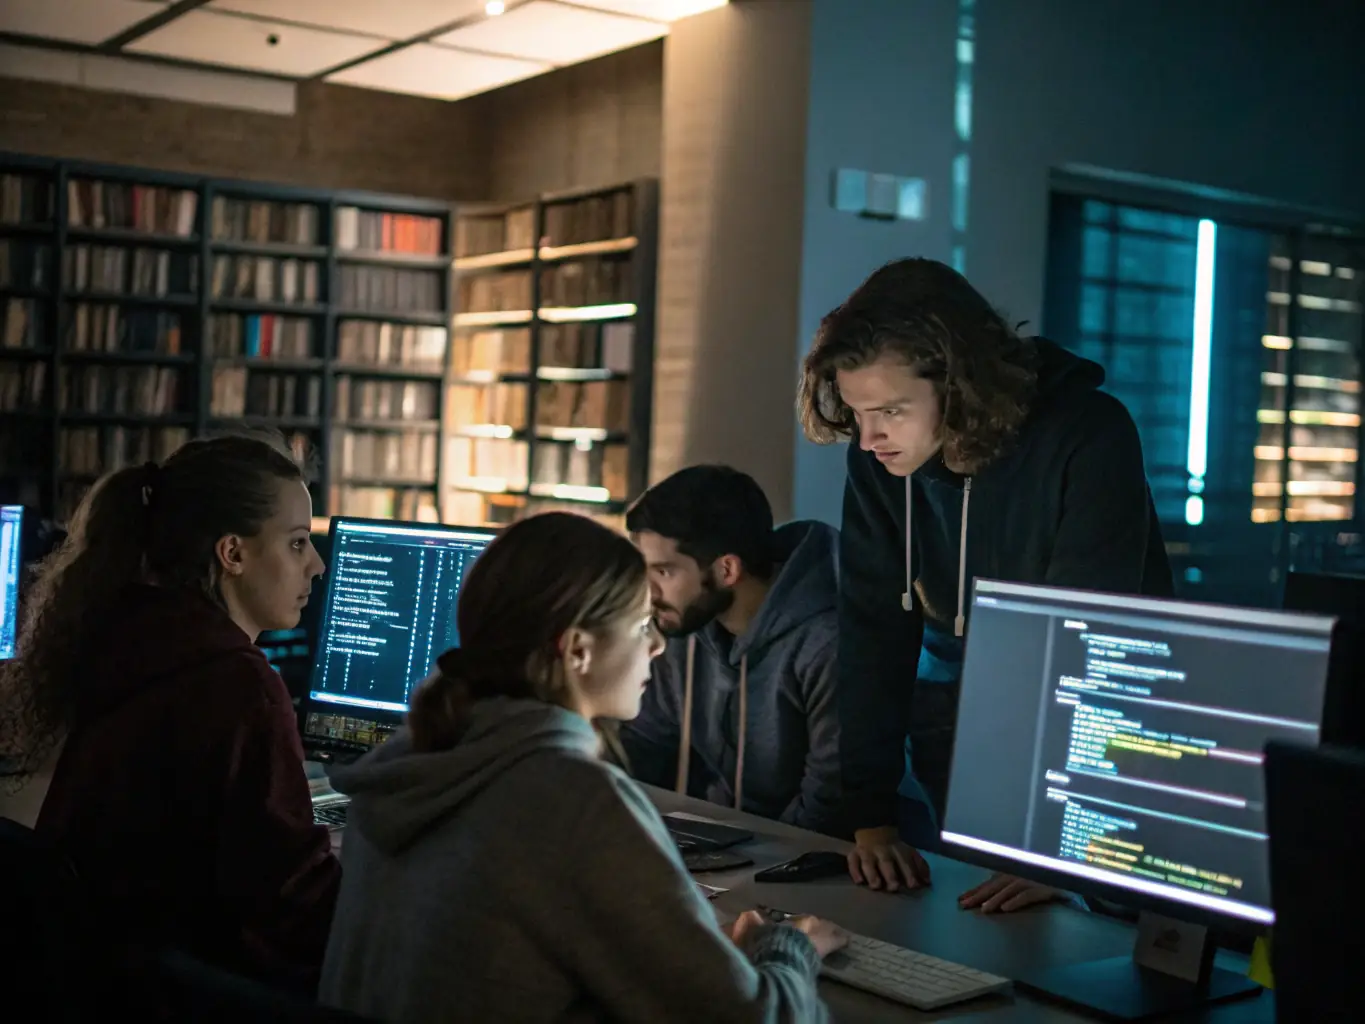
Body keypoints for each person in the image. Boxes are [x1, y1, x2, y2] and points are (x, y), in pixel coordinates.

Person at [320, 512, 843, 1024]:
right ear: (577, 651)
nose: (658, 645)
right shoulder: (577, 802)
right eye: (641, 625)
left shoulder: (405, 763)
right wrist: (788, 948)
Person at [799, 258, 1171, 912]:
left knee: (1098, 934)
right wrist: (871, 818)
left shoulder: (1087, 432)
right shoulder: (880, 461)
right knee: (975, 928)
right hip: (956, 716)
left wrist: (1060, 846)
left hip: (1105, 735)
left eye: (890, 411)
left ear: (959, 383)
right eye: (857, 412)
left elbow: (1087, 645)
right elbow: (872, 633)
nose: (869, 437)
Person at [0, 436, 340, 988]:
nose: (317, 565)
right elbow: (296, 904)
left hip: (101, 978)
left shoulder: (121, 633)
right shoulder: (237, 684)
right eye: (298, 543)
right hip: (185, 992)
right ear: (232, 554)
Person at [620, 465, 842, 835]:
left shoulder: (828, 644)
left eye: (664, 572)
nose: (649, 592)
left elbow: (827, 808)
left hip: (806, 854)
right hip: (720, 840)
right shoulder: (684, 624)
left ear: (726, 570)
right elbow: (644, 742)